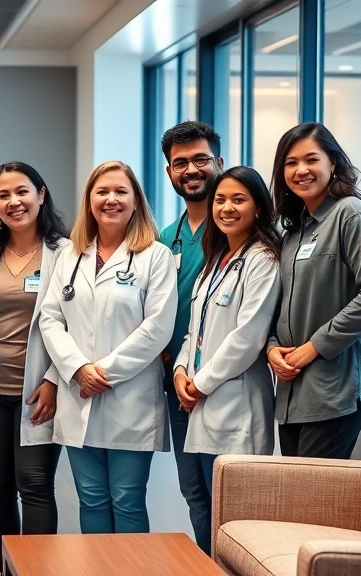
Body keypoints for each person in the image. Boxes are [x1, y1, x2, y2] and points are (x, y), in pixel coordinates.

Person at [39, 160, 177, 534]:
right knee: (91, 498)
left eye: (121, 191)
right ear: (89, 201)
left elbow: (158, 327)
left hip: (128, 396)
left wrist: (104, 372)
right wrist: (77, 369)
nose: (111, 199)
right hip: (78, 392)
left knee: (128, 498)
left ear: (136, 201)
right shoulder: (70, 255)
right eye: (102, 192)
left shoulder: (155, 256)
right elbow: (49, 318)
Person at [267, 122, 361, 459]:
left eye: (311, 159)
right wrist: (272, 349)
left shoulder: (351, 215)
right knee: (294, 502)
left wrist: (315, 347)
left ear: (333, 163)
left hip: (335, 389)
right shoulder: (294, 232)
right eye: (291, 163)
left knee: (309, 503)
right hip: (293, 391)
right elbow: (280, 306)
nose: (301, 170)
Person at [172, 166, 281, 552]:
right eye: (220, 200)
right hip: (201, 399)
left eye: (238, 199)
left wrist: (198, 385)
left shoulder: (263, 259)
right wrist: (181, 370)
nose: (227, 208)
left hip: (235, 404)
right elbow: (193, 331)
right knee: (202, 504)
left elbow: (248, 338)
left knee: (232, 517)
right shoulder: (214, 260)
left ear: (258, 208)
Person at [0, 162, 70, 567]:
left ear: (41, 195)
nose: (14, 202)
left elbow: (74, 323)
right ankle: (7, 570)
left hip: (38, 390)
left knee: (35, 485)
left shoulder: (66, 253)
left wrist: (52, 379)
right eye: (3, 195)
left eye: (22, 192)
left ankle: (36, 571)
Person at [156, 120, 225, 555]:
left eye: (201, 159)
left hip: (222, 384)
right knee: (194, 493)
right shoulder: (165, 240)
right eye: (180, 163)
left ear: (218, 162)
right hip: (177, 385)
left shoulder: (240, 232)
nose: (191, 169)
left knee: (225, 494)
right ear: (169, 173)